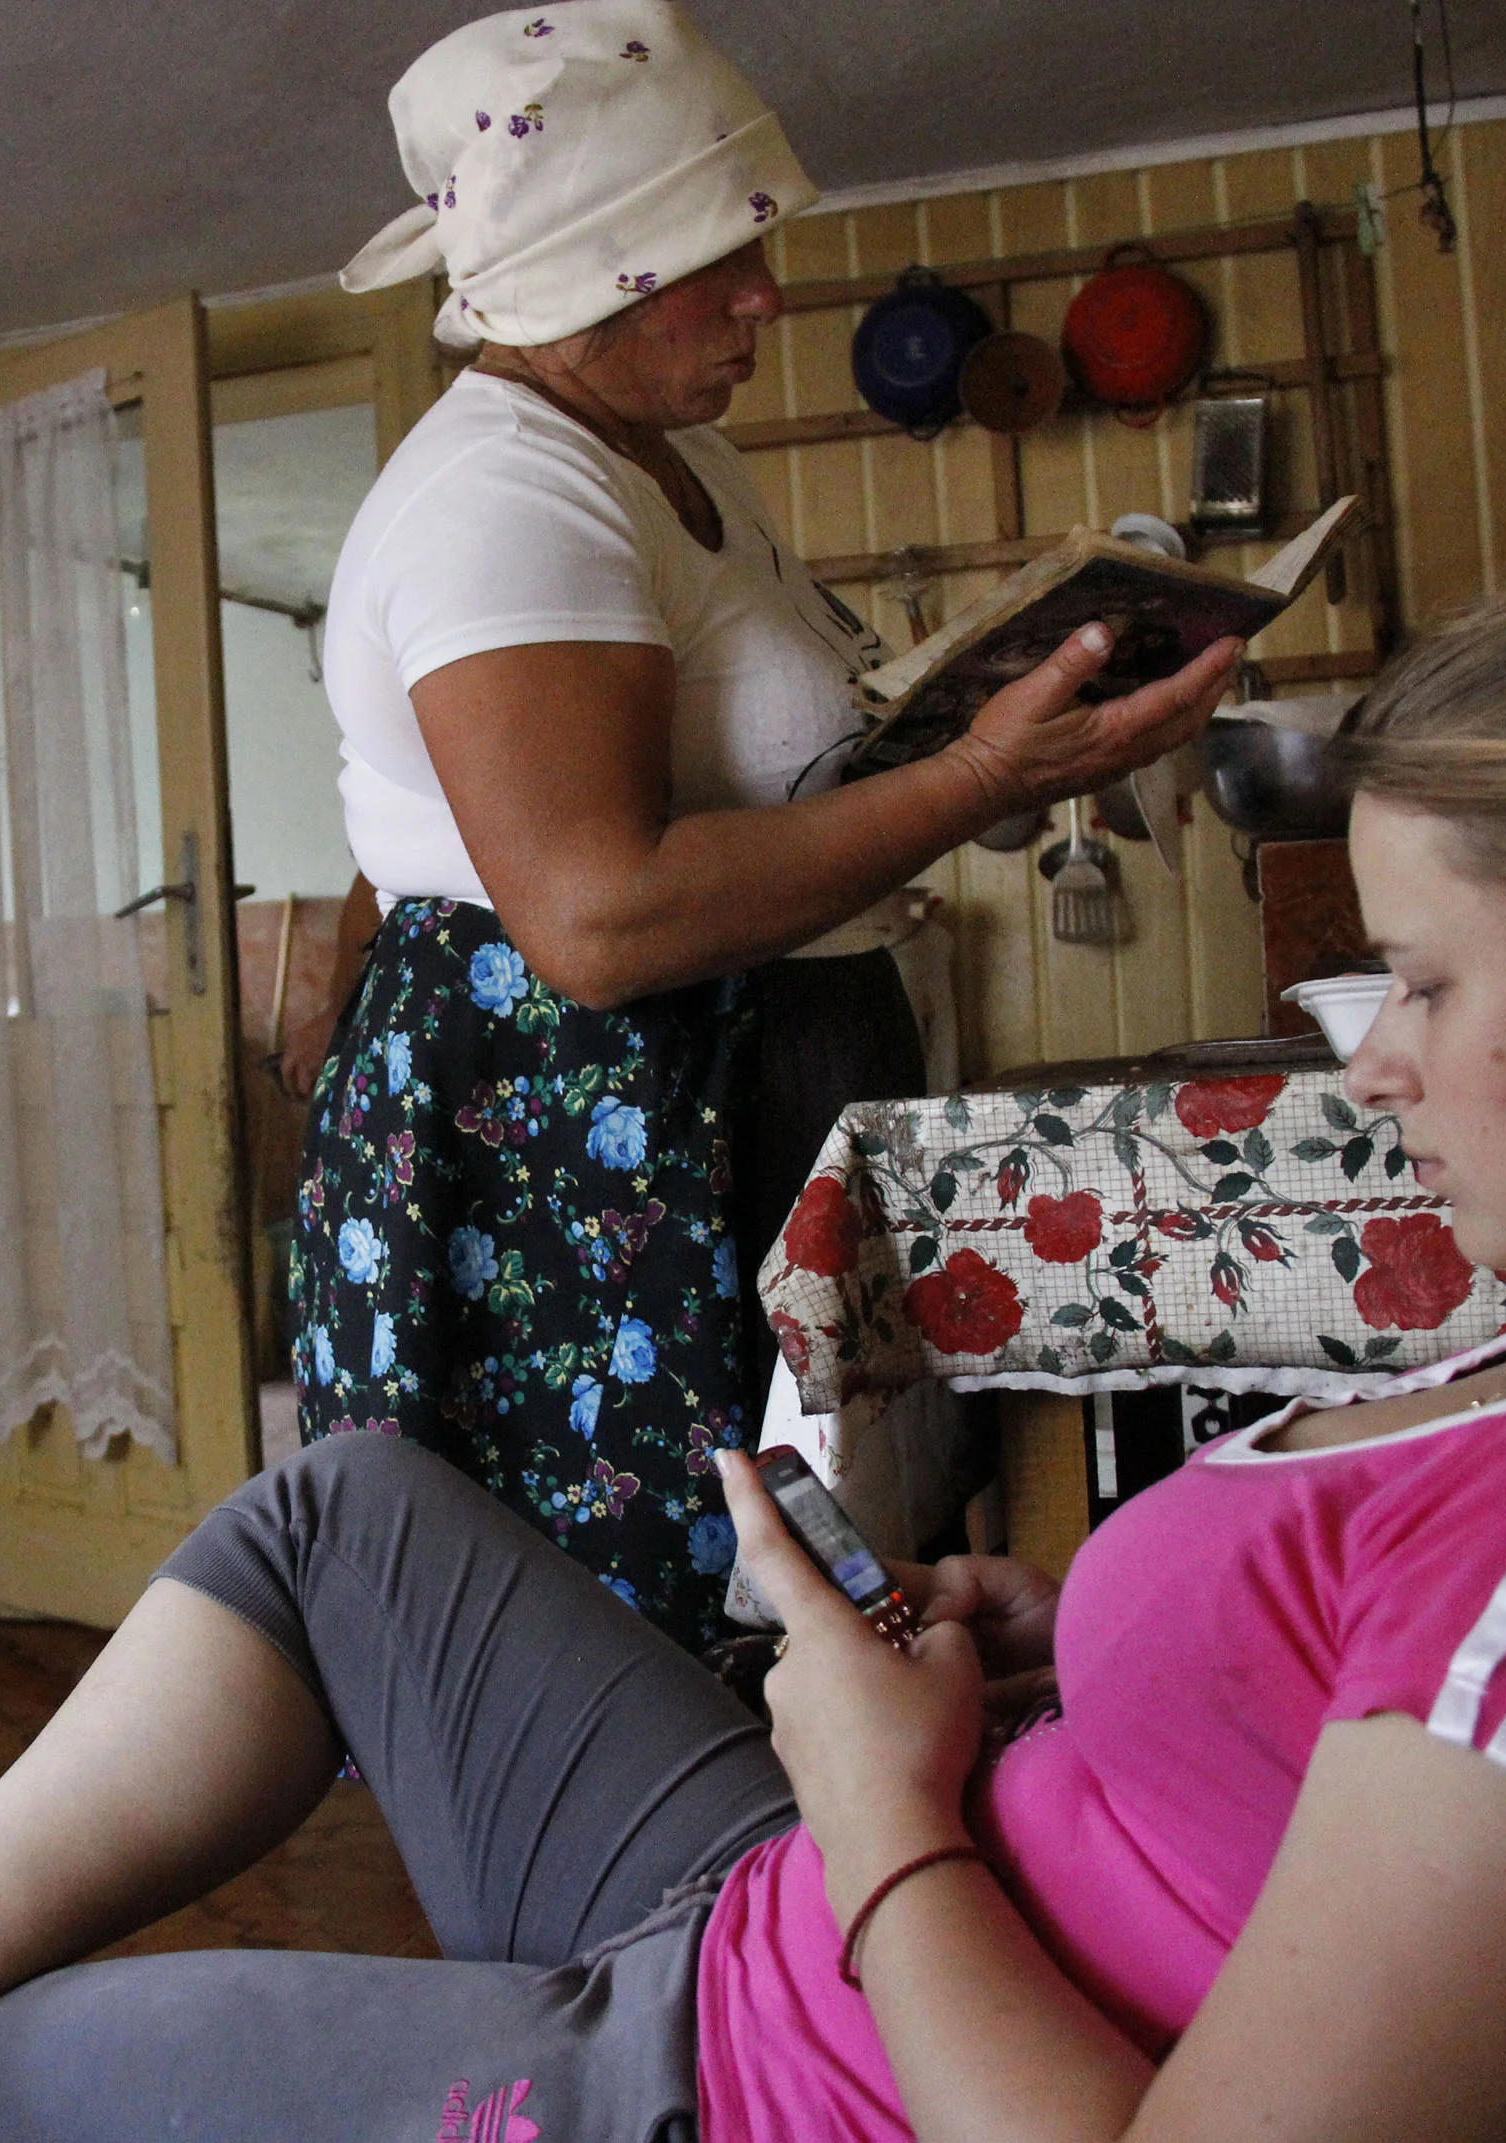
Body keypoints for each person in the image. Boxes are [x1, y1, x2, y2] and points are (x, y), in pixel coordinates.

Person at [0, 358, 1506, 2143]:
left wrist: (884, 1799)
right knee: (350, 1500)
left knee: (7, 2078)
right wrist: (1045, 1665)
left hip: (769, 2058)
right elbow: (1367, 1727)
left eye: (1424, 984)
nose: (1367, 1063)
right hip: (829, 1889)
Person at [272, 0, 1242, 1645]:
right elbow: (596, 918)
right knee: (657, 1651)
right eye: (713, 264)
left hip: (725, 1086)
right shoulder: (503, 498)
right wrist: (984, 779)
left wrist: (974, 720)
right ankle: (713, 1911)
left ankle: (816, 1895)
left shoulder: (670, 451)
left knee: (814, 1611)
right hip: (581, 1135)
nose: (763, 297)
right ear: (592, 276)